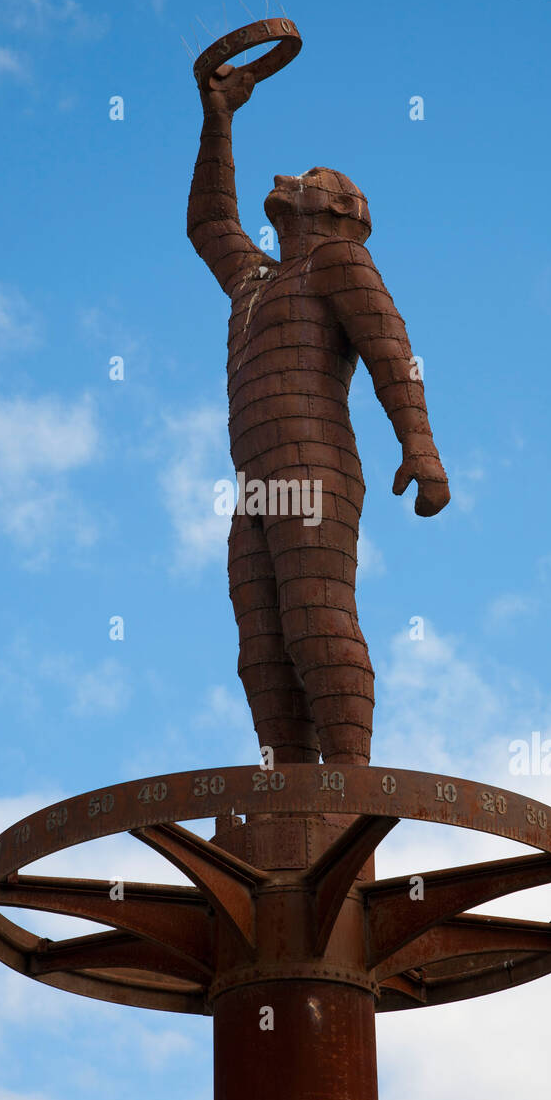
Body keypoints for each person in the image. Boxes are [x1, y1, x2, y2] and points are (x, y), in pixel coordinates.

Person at [188, 63, 449, 770]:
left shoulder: (339, 261)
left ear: (342, 210)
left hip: (315, 465)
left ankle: (349, 784)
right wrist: (220, 118)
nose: (286, 177)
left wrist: (420, 447)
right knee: (261, 643)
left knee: (317, 615)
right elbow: (210, 223)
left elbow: (392, 353)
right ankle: (291, 783)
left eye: (309, 176)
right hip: (255, 483)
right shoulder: (255, 279)